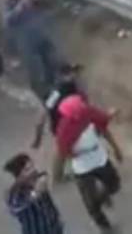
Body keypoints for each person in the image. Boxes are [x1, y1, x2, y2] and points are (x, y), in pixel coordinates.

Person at [52, 94, 123, 232]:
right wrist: (57, 175)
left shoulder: (90, 112)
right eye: (79, 106)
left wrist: (116, 149)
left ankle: (102, 197)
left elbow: (104, 127)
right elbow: (60, 153)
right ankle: (103, 225)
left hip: (99, 158)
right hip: (82, 167)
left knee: (114, 185)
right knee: (90, 202)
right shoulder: (65, 129)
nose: (83, 107)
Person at [4, 153, 65, 234]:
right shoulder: (15, 192)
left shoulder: (38, 180)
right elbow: (14, 208)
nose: (33, 170)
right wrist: (36, 193)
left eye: (33, 166)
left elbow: (48, 204)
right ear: (19, 175)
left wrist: (57, 219)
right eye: (27, 169)